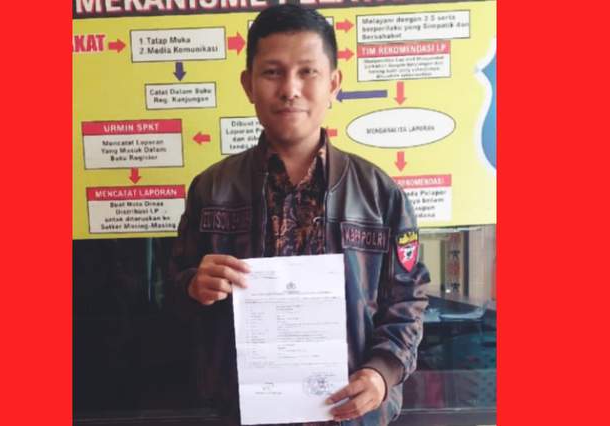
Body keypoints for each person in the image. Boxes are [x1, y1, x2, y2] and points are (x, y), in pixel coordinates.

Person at [168, 4, 429, 425]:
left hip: (350, 414)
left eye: (308, 72)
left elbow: (408, 298)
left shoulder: (380, 194)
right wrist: (192, 286)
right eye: (273, 72)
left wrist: (382, 374)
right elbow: (173, 289)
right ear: (248, 84)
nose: (290, 89)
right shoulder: (211, 189)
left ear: (333, 84)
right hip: (243, 411)